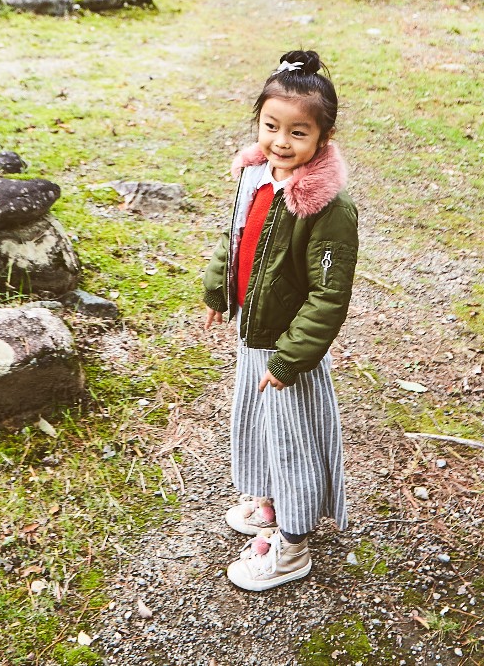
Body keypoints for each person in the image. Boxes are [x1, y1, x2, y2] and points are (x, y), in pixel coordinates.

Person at [200, 50, 359, 591]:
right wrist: (218, 290)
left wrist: (292, 359)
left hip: (288, 349)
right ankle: (268, 504)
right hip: (253, 333)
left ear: (324, 136)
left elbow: (329, 296)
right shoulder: (255, 175)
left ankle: (292, 545)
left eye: (298, 132)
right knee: (259, 427)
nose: (281, 142)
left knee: (290, 439)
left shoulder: (326, 208)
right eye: (271, 127)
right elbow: (235, 237)